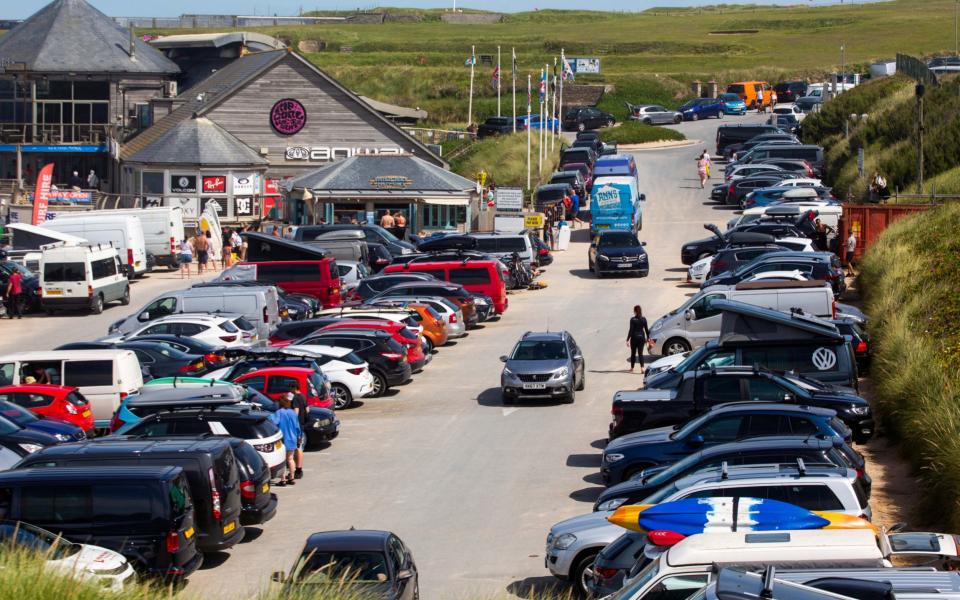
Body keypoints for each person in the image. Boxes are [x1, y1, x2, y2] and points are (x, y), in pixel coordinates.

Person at [269, 395, 301, 486]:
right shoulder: (293, 413)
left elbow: (273, 422)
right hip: (293, 438)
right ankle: (291, 477)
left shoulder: (279, 412)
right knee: (291, 459)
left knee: (282, 460)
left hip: (282, 439)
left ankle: (283, 479)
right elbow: (297, 427)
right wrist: (299, 437)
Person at [288, 382, 308, 480]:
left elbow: (296, 412)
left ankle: (298, 470)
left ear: (294, 387)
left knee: (297, 448)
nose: (289, 390)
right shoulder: (303, 396)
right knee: (299, 447)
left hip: (297, 425)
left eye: (290, 388)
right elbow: (307, 409)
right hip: (302, 424)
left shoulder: (296, 398)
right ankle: (298, 469)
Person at [625, 305, 650, 373]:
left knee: (633, 353)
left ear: (635, 311)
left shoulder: (633, 319)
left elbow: (631, 330)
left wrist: (627, 339)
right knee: (640, 354)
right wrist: (648, 338)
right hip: (642, 338)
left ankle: (632, 368)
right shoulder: (644, 319)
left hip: (634, 338)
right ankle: (642, 368)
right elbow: (646, 330)